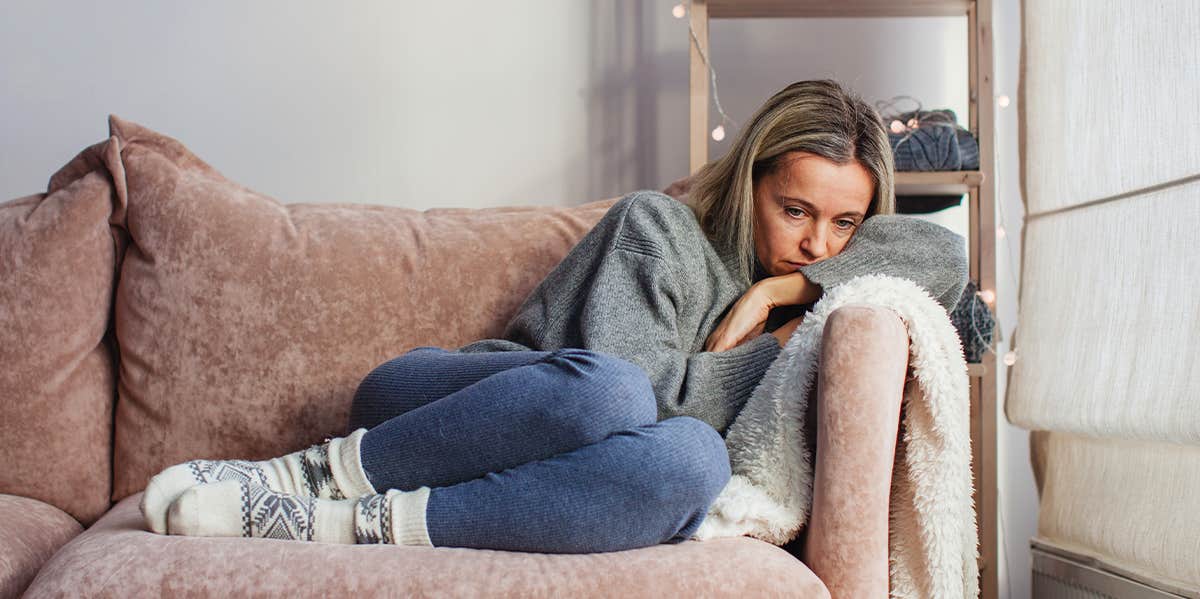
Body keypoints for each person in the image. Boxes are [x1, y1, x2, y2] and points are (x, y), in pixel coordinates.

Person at [140, 79, 965, 594]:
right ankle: (307, 471)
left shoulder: (803, 291)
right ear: (750, 180)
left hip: (558, 469)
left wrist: (782, 293)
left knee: (692, 461)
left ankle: (336, 520)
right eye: (796, 212)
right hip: (443, 406)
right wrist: (767, 346)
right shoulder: (659, 226)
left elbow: (946, 255)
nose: (821, 244)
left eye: (845, 224)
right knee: (612, 390)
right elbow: (630, 391)